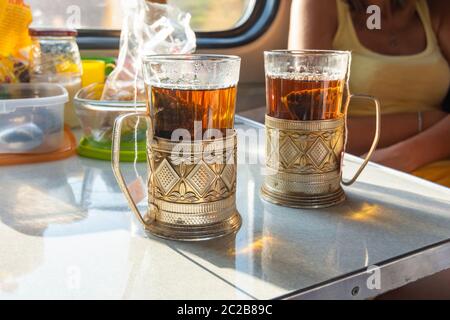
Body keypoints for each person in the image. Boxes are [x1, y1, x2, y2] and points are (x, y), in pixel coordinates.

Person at [289, 0, 450, 187]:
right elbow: (308, 131)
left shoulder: (435, 7)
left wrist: (404, 156)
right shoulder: (319, 5)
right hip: (352, 169)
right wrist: (425, 121)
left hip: (435, 162)